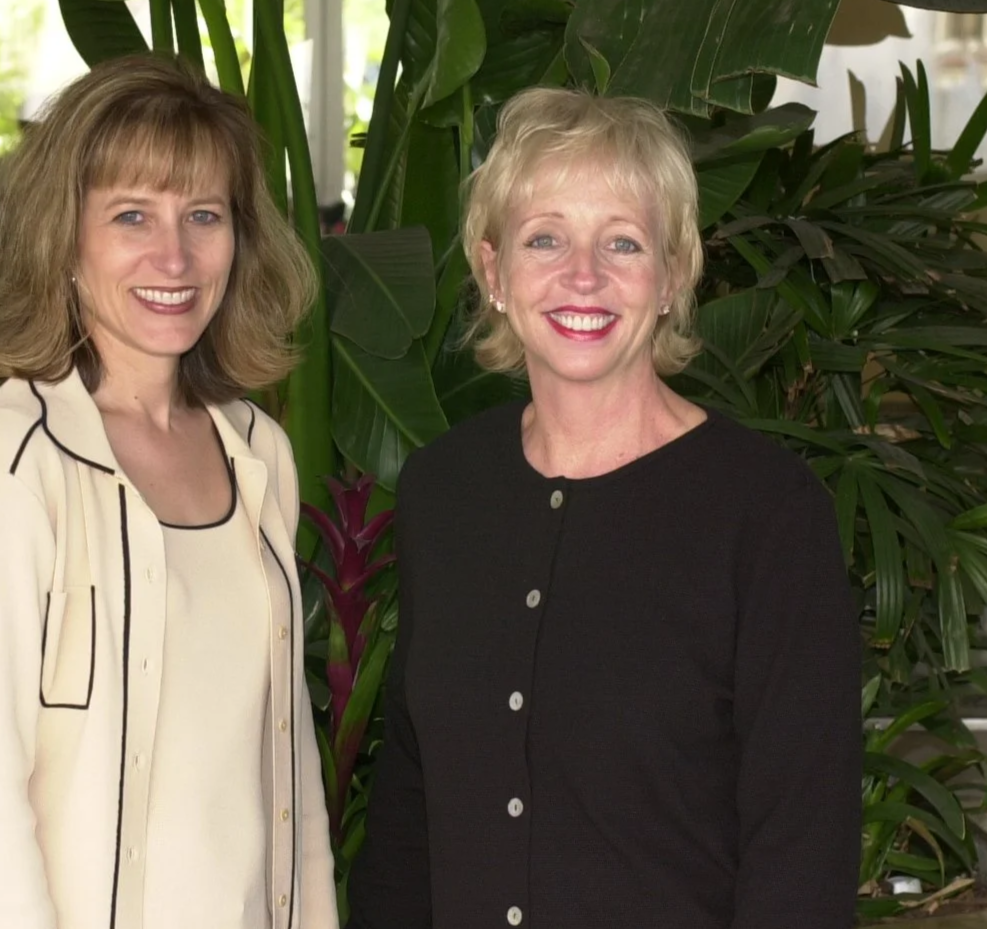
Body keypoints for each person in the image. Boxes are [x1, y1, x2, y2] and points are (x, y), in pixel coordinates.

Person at [348, 87, 861, 929]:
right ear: (493, 272)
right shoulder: (445, 488)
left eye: (621, 242)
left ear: (672, 276)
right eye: (544, 237)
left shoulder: (765, 514)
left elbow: (800, 853)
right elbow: (411, 800)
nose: (581, 274)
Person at [0, 54, 338, 929]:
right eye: (131, 215)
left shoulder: (257, 452)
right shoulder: (7, 469)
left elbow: (284, 765)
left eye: (204, 215)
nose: (174, 255)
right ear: (64, 239)